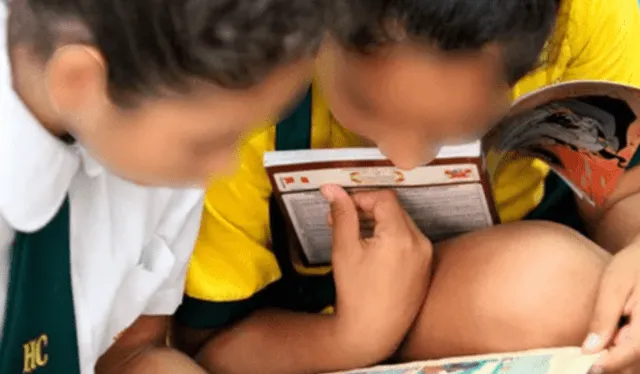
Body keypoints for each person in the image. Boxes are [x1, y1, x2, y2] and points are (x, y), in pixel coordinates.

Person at [173, 0, 640, 373]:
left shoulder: (584, 18)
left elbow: (624, 192)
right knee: (554, 290)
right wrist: (351, 338)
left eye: (457, 127)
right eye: (363, 106)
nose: (405, 159)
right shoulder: (242, 91)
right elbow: (204, 347)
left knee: (578, 300)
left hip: (514, 257)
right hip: (300, 326)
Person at [0, 0, 336, 372]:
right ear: (78, 81)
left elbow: (129, 353)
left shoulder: (161, 154)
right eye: (208, 141)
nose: (226, 167)